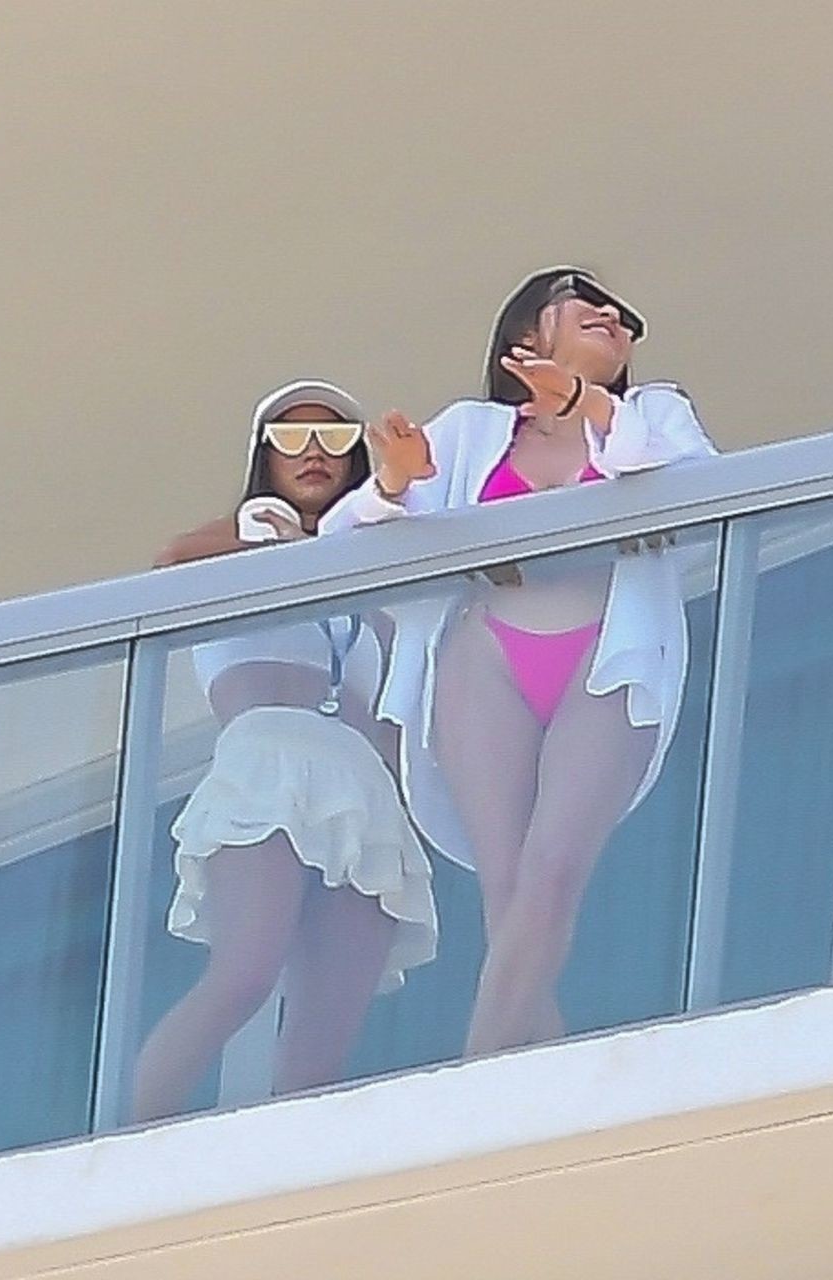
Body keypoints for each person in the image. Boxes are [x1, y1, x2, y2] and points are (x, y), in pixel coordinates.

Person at [320, 267, 716, 1056]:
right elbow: (343, 545)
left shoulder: (651, 412)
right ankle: (531, 1068)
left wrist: (590, 409)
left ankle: (477, 1073)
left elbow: (703, 493)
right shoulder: (472, 429)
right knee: (505, 890)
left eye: (623, 315)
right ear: (527, 334)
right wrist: (393, 482)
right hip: (486, 657)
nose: (611, 315)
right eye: (585, 300)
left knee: (553, 873)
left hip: (606, 657)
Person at [132, 378, 439, 1122]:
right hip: (270, 758)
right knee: (245, 971)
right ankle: (129, 1136)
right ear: (263, 456)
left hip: (361, 787)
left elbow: (405, 694)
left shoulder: (368, 566)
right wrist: (280, 541)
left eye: (334, 439)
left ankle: (290, 1157)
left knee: (328, 1022)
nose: (312, 454)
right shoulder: (242, 545)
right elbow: (171, 560)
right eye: (291, 438)